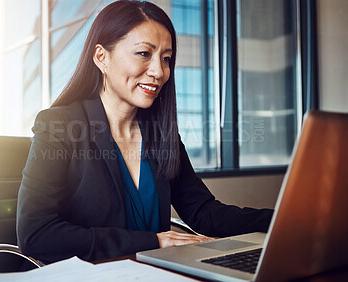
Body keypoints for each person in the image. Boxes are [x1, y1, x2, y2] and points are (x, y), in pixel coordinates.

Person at [16, 0, 273, 264]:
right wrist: (155, 242)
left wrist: (282, 219)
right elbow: (36, 234)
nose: (158, 72)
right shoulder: (58, 126)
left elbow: (203, 211)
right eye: (143, 54)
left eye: (166, 59)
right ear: (101, 57)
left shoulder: (161, 135)